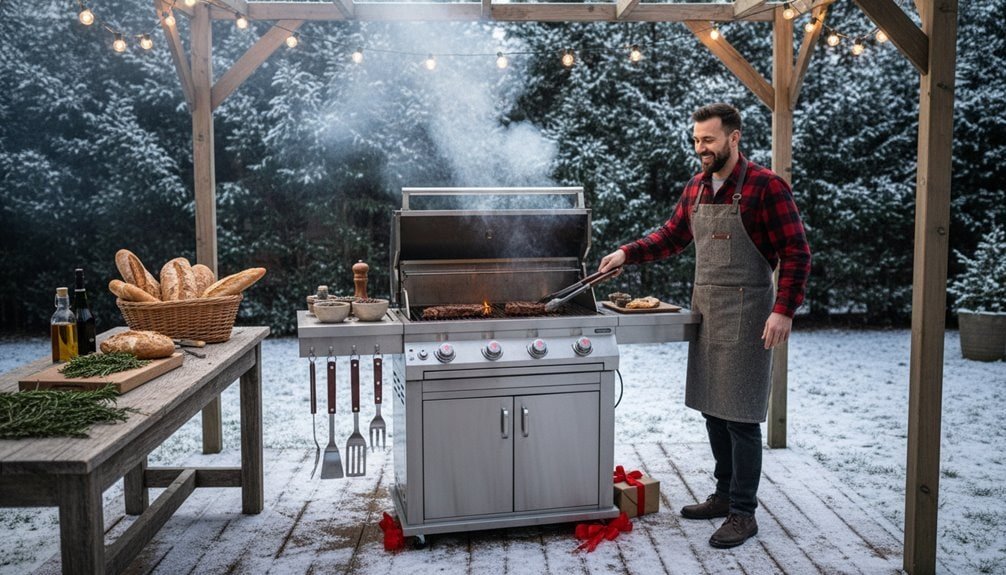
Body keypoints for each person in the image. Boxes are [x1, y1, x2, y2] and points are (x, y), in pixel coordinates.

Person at [599, 103, 811, 549]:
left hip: (751, 315)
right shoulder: (697, 187)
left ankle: (743, 512)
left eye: (709, 140)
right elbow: (672, 236)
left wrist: (784, 310)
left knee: (742, 415)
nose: (700, 148)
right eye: (696, 140)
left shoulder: (766, 187)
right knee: (714, 408)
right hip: (708, 312)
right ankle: (722, 495)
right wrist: (627, 253)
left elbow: (797, 252)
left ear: (734, 138)